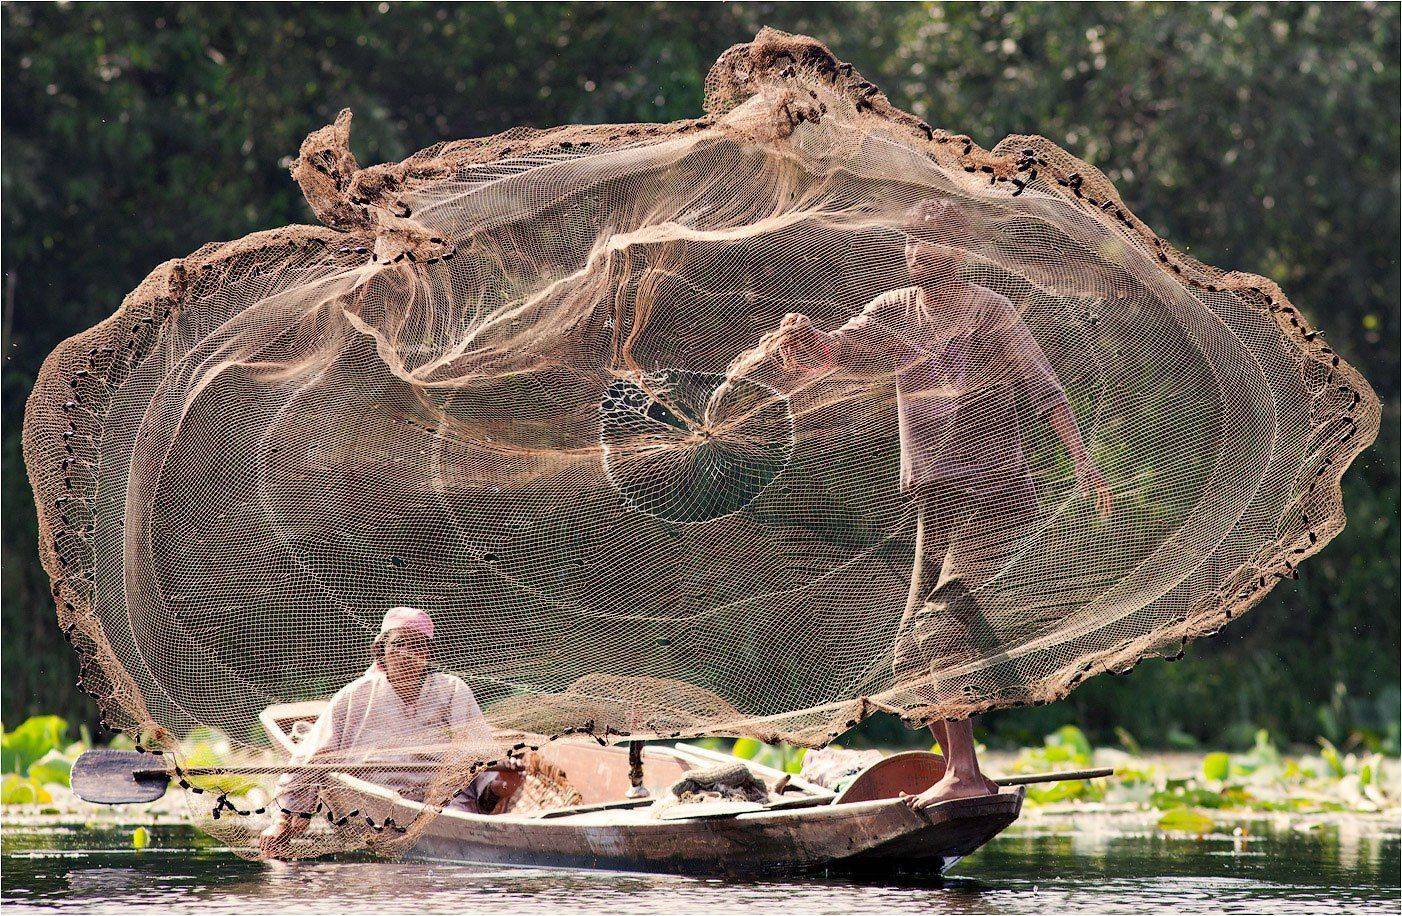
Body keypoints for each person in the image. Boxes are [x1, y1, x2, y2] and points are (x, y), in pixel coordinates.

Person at [715, 199, 1111, 808]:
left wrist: (1084, 464)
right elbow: (835, 351)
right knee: (911, 646)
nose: (929, 253)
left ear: (963, 253)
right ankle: (957, 764)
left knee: (944, 616)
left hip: (995, 493)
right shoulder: (895, 314)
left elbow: (1046, 390)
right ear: (906, 252)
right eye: (919, 242)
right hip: (937, 500)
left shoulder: (990, 315)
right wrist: (797, 343)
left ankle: (967, 773)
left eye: (943, 242)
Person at [257, 607, 519, 859]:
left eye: (417, 646)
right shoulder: (356, 695)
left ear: (427, 653)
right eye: (399, 644)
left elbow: (478, 750)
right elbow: (310, 758)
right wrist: (282, 819)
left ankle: (492, 798)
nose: (407, 654)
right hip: (375, 801)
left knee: (480, 789)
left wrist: (496, 781)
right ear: (382, 650)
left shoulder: (452, 690)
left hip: (441, 800)